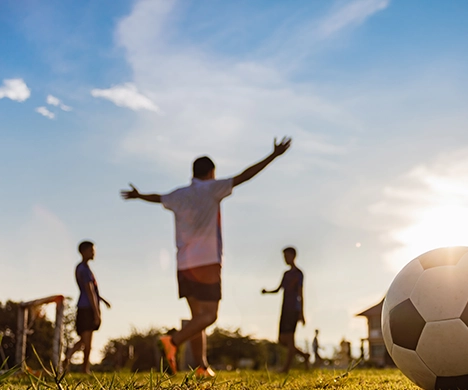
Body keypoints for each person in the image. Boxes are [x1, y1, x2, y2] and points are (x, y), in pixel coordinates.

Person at [121, 137, 292, 376]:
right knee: (209, 316)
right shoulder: (212, 188)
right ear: (211, 173)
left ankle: (201, 366)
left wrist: (139, 196)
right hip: (208, 262)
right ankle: (172, 341)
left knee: (197, 318)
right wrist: (273, 156)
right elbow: (244, 176)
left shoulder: (179, 194)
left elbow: (158, 197)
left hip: (184, 264)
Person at [65, 240, 111, 374]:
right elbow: (89, 291)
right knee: (87, 341)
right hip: (87, 307)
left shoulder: (83, 268)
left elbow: (93, 291)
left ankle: (67, 358)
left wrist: (103, 300)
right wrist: (97, 312)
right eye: (91, 250)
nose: (93, 252)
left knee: (84, 340)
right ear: (84, 252)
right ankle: (84, 369)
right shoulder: (83, 269)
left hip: (86, 306)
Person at [262, 246, 310, 373]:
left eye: (287, 256)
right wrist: (267, 292)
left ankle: (286, 368)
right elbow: (278, 289)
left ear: (293, 256)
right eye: (284, 256)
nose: (285, 259)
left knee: (290, 339)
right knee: (282, 340)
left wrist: (301, 313)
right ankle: (304, 355)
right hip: (284, 308)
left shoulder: (298, 274)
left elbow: (301, 294)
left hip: (293, 309)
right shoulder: (286, 274)